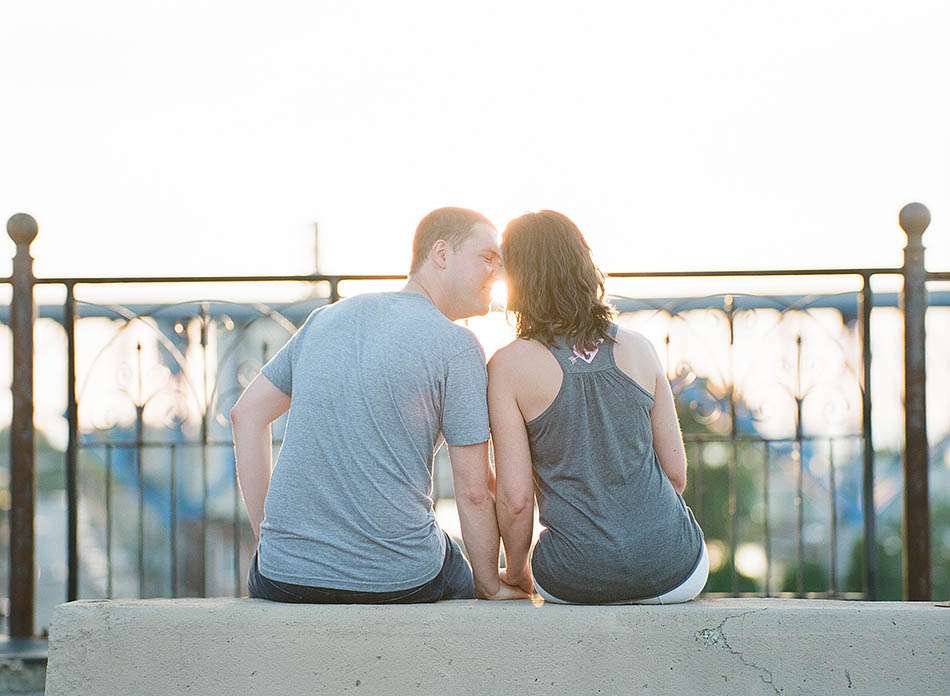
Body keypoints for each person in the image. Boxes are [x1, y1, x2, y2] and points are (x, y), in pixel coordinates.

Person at [231, 207, 527, 603]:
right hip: (398, 578)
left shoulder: (325, 319)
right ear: (441, 254)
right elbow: (473, 492)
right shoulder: (457, 345)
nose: (499, 273)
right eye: (487, 258)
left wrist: (274, 536)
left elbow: (245, 414)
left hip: (280, 575)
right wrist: (490, 585)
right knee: (452, 564)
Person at [488, 210, 707, 604]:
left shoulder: (508, 367)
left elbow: (516, 499)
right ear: (584, 266)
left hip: (575, 577)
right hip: (677, 570)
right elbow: (675, 476)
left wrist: (517, 571)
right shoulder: (639, 348)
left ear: (516, 279)